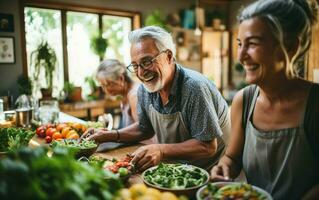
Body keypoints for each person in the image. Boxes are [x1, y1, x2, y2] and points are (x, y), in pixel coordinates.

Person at [210, 0, 319, 199]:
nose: (241, 56)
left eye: (252, 43)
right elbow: (232, 158)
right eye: (240, 44)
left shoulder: (315, 104)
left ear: (291, 46)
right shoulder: (244, 101)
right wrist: (223, 168)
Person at [85, 26, 230, 171]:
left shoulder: (194, 87)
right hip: (178, 168)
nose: (141, 72)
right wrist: (109, 135)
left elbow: (207, 147)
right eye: (135, 66)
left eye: (147, 61)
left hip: (213, 171)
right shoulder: (145, 90)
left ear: (168, 56)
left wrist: (161, 150)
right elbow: (144, 128)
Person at [96, 59, 139, 128]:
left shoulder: (134, 95)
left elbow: (143, 131)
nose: (105, 90)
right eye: (103, 86)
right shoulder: (125, 95)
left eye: (108, 84)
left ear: (121, 78)